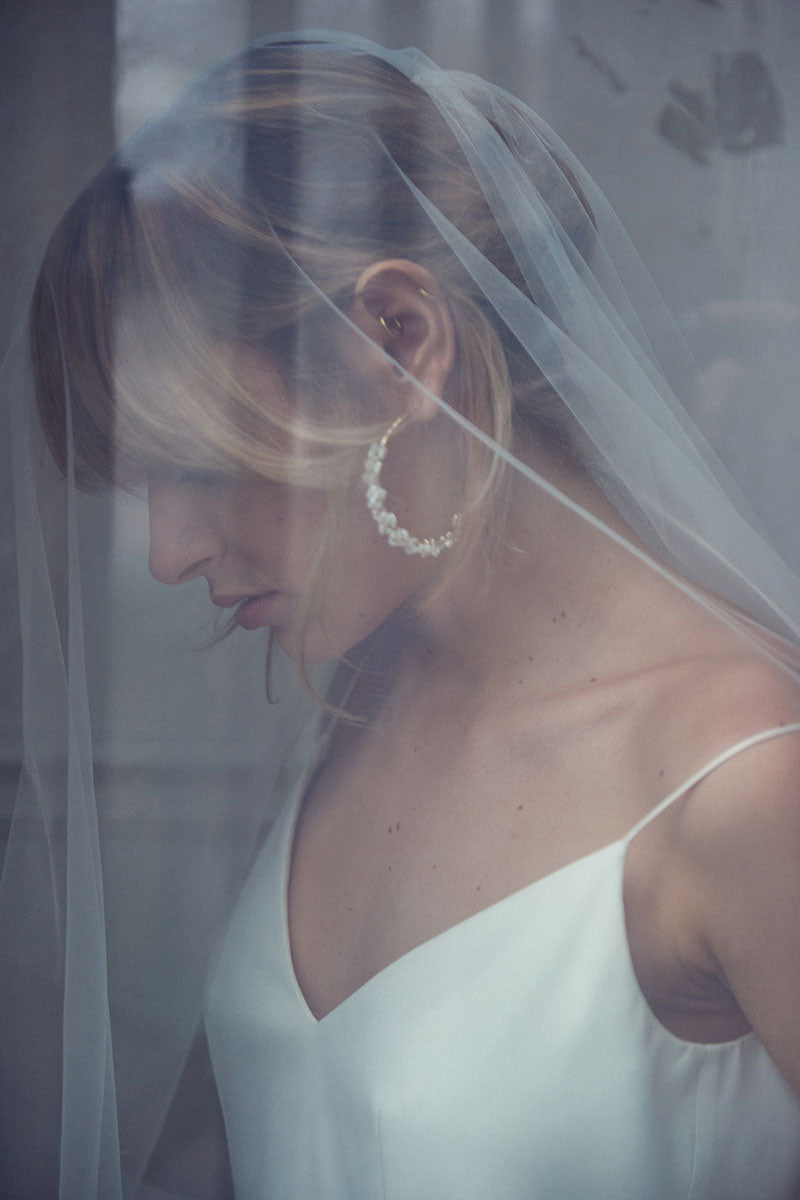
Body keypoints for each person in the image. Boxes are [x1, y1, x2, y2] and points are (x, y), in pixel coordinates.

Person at [4, 30, 800, 1200]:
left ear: (397, 342)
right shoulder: (360, 694)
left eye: (195, 460)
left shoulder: (746, 782)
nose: (170, 553)